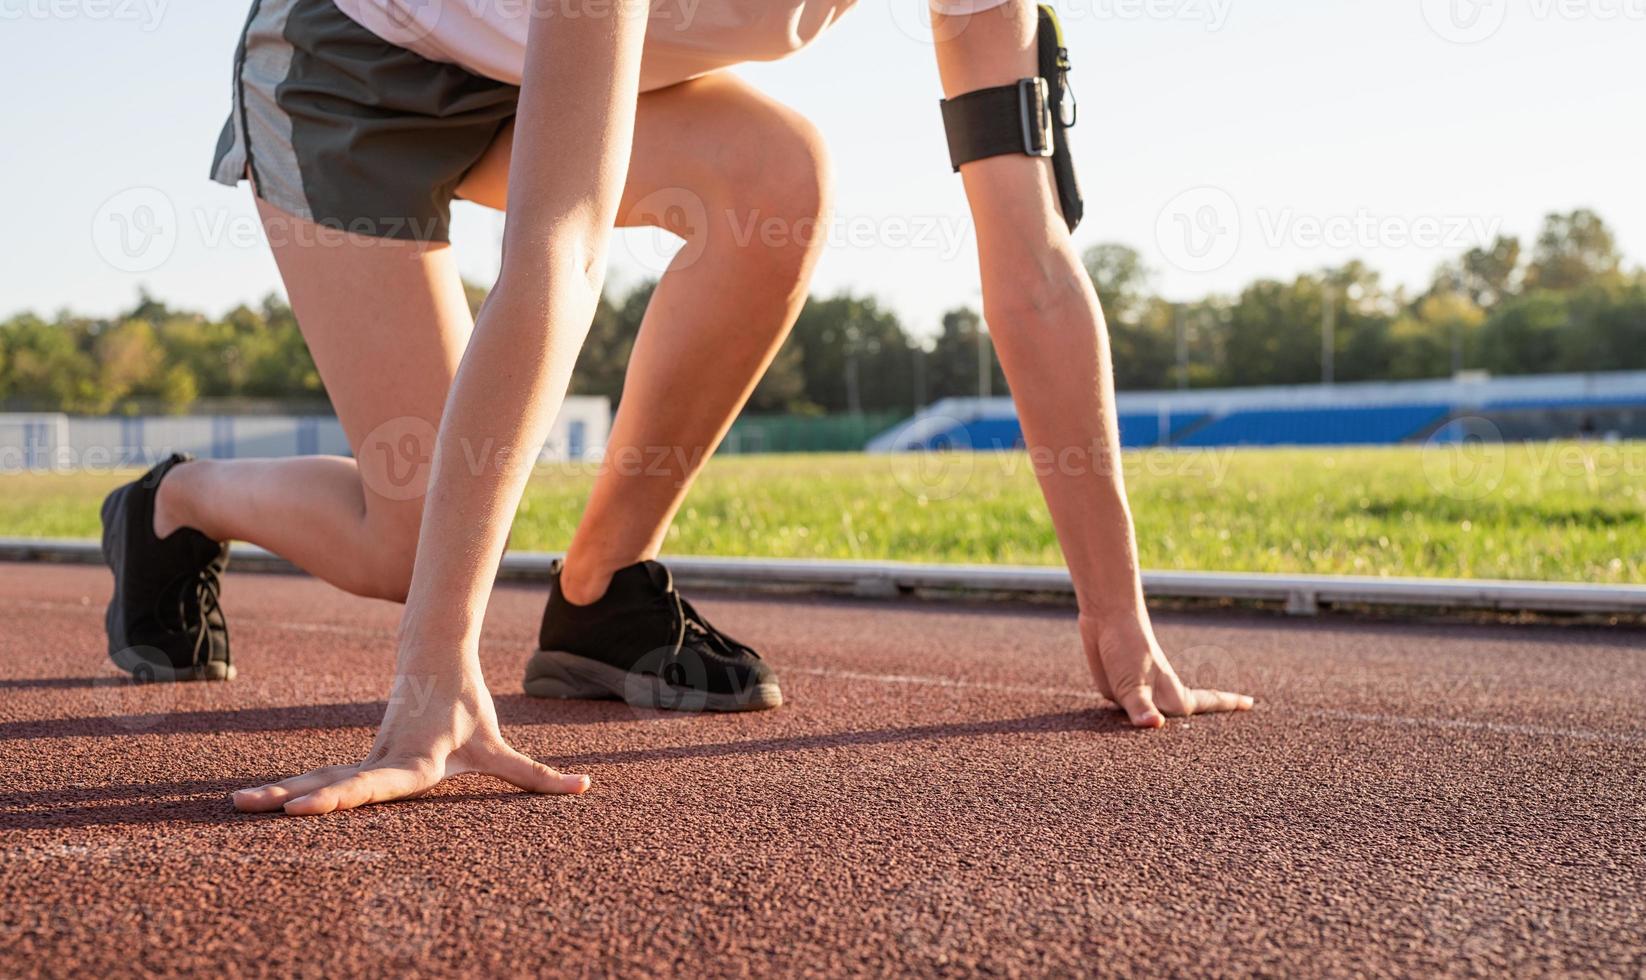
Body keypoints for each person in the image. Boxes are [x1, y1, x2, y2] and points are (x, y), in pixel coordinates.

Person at [100, 0, 1253, 816]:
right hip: (348, 68)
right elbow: (559, 248)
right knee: (415, 548)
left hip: (539, 71)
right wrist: (434, 665)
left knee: (777, 174)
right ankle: (178, 499)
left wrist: (1116, 614)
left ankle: (601, 591)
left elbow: (1034, 267)